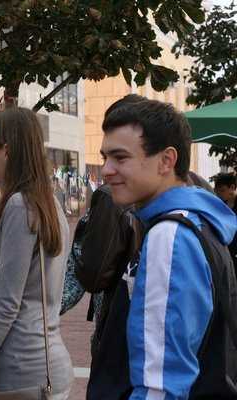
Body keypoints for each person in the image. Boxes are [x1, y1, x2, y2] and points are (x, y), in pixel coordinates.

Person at [88, 97, 237, 399]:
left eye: (120, 158)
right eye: (105, 157)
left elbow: (160, 384)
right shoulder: (191, 222)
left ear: (166, 160)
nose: (106, 170)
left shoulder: (170, 235)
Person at [0, 107, 74, 400]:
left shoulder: (20, 206)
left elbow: (6, 302)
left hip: (25, 370)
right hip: (47, 362)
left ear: (6, 150)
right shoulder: (50, 203)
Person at [214, 172, 237, 266]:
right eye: (217, 191)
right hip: (226, 252)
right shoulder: (220, 205)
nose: (219, 194)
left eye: (222, 190)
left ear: (232, 187)